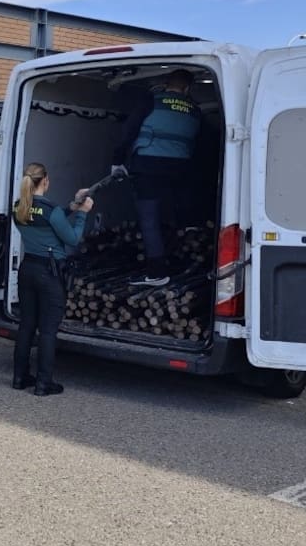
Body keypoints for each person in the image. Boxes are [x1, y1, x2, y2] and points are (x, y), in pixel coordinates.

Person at [112, 69, 202, 287]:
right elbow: (202, 142)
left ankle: (157, 273)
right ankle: (189, 233)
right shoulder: (195, 110)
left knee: (149, 220)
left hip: (148, 166)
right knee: (177, 211)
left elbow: (129, 131)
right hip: (181, 168)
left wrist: (117, 161)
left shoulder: (152, 100)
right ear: (188, 88)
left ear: (165, 84)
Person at [11, 162, 92, 397]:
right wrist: (83, 214)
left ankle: (20, 377)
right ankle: (44, 383)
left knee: (26, 325)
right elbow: (73, 238)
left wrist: (73, 206)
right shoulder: (51, 210)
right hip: (49, 273)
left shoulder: (19, 207)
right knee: (47, 330)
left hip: (28, 270)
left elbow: (48, 220)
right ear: (45, 180)